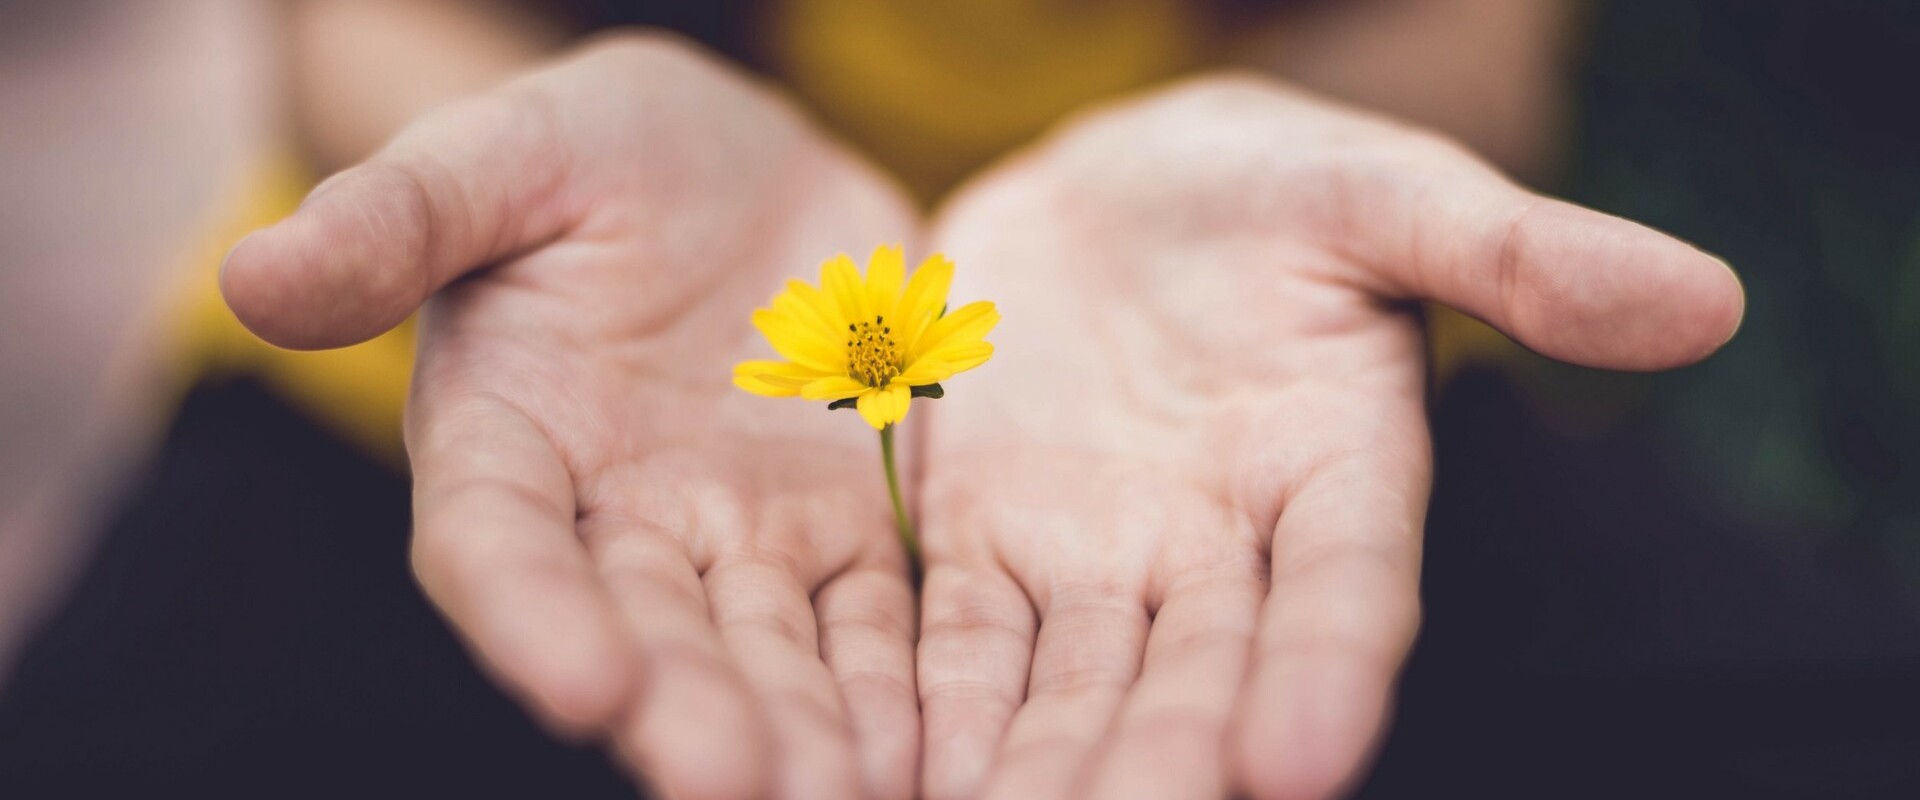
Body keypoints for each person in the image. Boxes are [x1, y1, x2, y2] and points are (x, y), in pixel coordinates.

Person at [6, 2, 1917, 799]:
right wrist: (500, 172)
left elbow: (1461, 44)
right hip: (526, 361)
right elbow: (356, 26)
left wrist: (1281, 152)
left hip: (1242, 387)